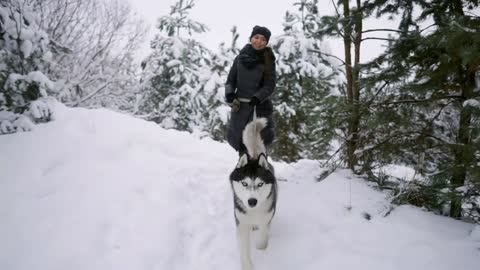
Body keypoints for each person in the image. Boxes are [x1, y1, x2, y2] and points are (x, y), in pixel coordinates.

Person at [225, 25, 276, 157]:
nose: (259, 41)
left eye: (263, 39)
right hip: (240, 107)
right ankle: (243, 170)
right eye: (256, 37)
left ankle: (261, 170)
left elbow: (270, 85)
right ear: (251, 38)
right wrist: (230, 95)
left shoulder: (268, 60)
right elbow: (230, 80)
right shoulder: (240, 58)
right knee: (241, 141)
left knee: (258, 143)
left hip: (259, 107)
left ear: (266, 43)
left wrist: (258, 97)